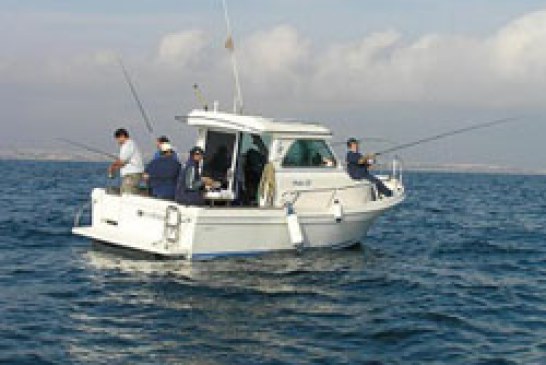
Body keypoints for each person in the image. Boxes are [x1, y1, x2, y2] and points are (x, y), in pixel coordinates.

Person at [108, 128, 144, 194]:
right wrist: (114, 168)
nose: (118, 141)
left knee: (128, 195)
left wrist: (112, 167)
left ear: (122, 136)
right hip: (132, 175)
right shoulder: (131, 144)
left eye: (118, 139)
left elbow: (122, 161)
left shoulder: (127, 145)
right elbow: (123, 162)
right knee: (124, 193)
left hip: (131, 175)